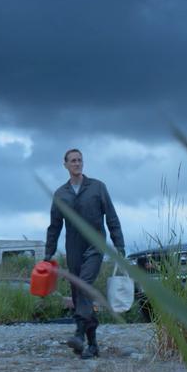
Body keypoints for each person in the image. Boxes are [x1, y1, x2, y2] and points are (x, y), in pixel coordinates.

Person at [44, 148, 125, 359]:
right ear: (66, 165)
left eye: (80, 160)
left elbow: (112, 217)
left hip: (95, 244)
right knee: (79, 293)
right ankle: (93, 345)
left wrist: (120, 246)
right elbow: (54, 226)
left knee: (84, 285)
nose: (77, 163)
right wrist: (48, 252)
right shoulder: (61, 194)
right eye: (73, 161)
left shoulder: (98, 187)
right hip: (73, 247)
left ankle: (79, 333)